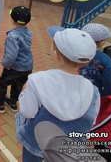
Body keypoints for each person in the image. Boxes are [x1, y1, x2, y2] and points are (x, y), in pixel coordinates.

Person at [16, 27, 100, 162]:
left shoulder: (37, 80)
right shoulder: (93, 90)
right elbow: (92, 121)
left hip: (36, 143)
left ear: (56, 54)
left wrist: (22, 94)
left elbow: (27, 112)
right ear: (86, 61)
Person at [0, 6, 33, 113]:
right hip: (28, 66)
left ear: (13, 20)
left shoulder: (13, 36)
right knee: (18, 85)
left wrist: (5, 64)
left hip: (15, 67)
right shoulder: (29, 33)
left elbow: (11, 55)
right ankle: (13, 103)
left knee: (2, 82)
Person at [80, 23, 111, 97]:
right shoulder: (105, 59)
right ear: (102, 42)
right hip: (93, 94)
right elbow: (108, 83)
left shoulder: (73, 52)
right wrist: (106, 98)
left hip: (73, 88)